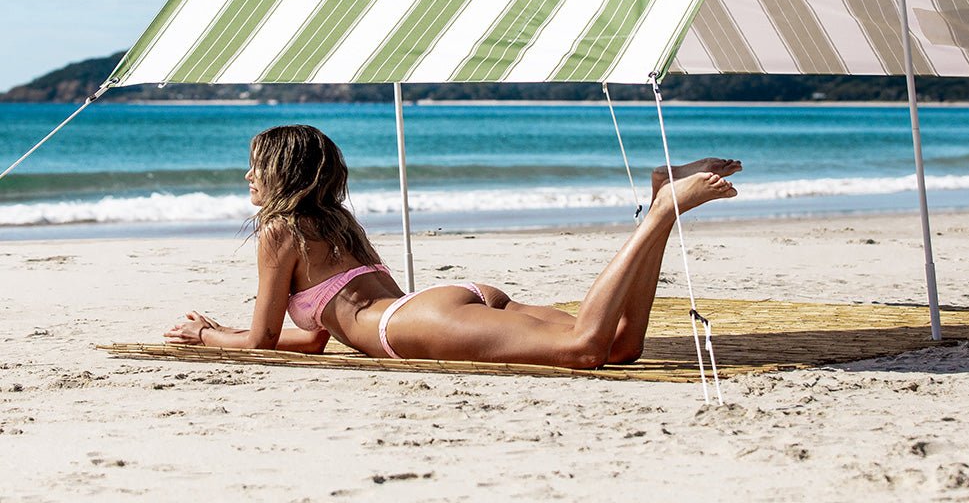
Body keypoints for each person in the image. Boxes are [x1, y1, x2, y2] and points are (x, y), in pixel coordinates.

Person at [165, 125, 739, 369]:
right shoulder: (338, 223)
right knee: (619, 347)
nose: (247, 179)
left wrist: (206, 335)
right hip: (436, 306)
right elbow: (315, 338)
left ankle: (661, 210)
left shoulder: (278, 231)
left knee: (588, 347)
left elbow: (264, 341)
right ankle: (661, 201)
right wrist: (230, 332)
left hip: (411, 324)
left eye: (254, 169)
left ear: (281, 175)